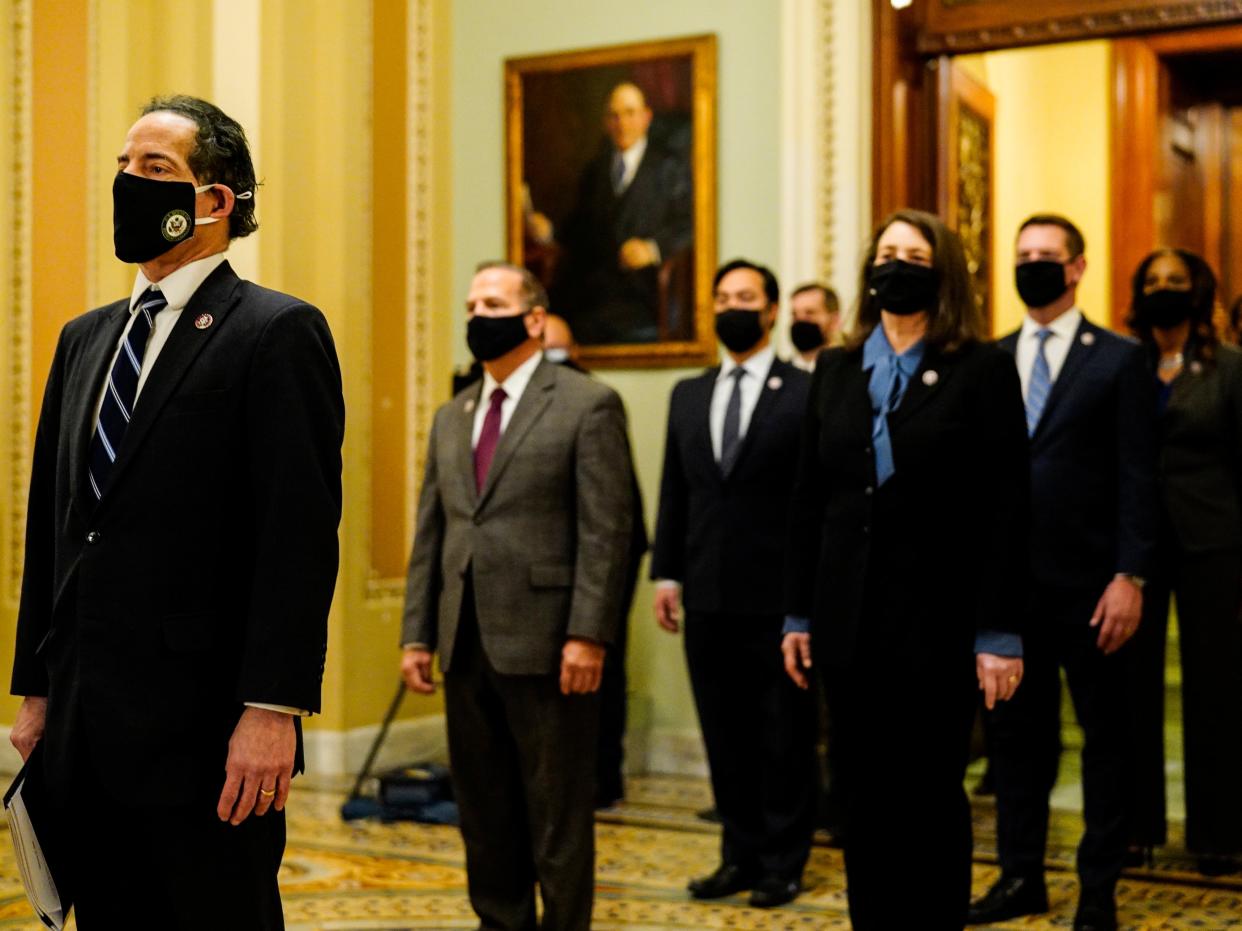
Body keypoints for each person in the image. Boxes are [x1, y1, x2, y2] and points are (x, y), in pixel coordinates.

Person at [8, 95, 344, 929]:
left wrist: (273, 708)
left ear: (216, 200)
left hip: (205, 732)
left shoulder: (276, 331)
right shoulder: (85, 339)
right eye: (123, 167)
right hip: (87, 724)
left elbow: (297, 539)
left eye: (154, 169)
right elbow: (53, 531)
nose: (128, 182)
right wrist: (35, 689)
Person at [783, 210, 1028, 930]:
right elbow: (808, 500)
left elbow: (1008, 507)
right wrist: (797, 613)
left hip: (940, 625)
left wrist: (1000, 631)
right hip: (847, 623)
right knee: (862, 796)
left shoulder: (979, 368)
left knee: (927, 796)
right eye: (886, 252)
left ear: (942, 270)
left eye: (914, 254)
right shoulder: (834, 368)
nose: (896, 264)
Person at [400, 261, 633, 931]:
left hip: (549, 642)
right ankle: (500, 922)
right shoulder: (453, 413)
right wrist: (418, 633)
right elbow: (433, 532)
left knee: (555, 812)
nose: (478, 314)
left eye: (493, 302)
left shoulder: (586, 403)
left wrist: (588, 634)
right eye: (471, 303)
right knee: (485, 809)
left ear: (533, 318)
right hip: (464, 640)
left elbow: (605, 531)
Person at [970, 215, 1157, 931]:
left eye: (1046, 256)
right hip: (1011, 592)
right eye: (1023, 257)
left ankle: (1098, 886)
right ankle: (1020, 875)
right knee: (1017, 745)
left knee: (1106, 739)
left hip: (1092, 590)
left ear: (1077, 267)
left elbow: (1140, 473)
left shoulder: (1118, 357)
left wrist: (1130, 574)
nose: (1033, 266)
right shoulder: (988, 359)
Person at [651, 259, 817, 909]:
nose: (732, 306)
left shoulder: (805, 392)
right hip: (707, 593)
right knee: (724, 734)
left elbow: (812, 501)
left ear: (772, 310)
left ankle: (783, 860)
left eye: (745, 296)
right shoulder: (688, 393)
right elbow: (676, 489)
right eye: (722, 297)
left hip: (778, 600)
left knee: (782, 736)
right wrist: (666, 571)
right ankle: (737, 853)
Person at [1123, 248, 1242, 877]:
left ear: (1198, 292)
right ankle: (1136, 829)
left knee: (1217, 690)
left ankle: (1219, 833)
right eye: (1153, 282)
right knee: (1132, 690)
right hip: (1139, 548)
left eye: (1176, 281)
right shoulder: (1123, 365)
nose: (1164, 290)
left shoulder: (1229, 368)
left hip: (1214, 545)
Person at [540, 312, 649, 808]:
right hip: (544, 582)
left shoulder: (595, 404)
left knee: (603, 682)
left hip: (601, 571)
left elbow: (615, 511)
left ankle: (604, 778)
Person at [535, 82, 693, 345]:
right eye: (614, 115)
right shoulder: (595, 171)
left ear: (646, 117)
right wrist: (549, 231)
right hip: (595, 295)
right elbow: (579, 227)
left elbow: (689, 224)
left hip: (644, 295)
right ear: (606, 123)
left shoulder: (669, 168)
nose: (622, 123)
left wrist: (653, 249)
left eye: (630, 113)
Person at [788, 282, 841, 371]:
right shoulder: (782, 373)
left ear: (834, 321)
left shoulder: (848, 371)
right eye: (794, 315)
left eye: (810, 313)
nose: (800, 320)